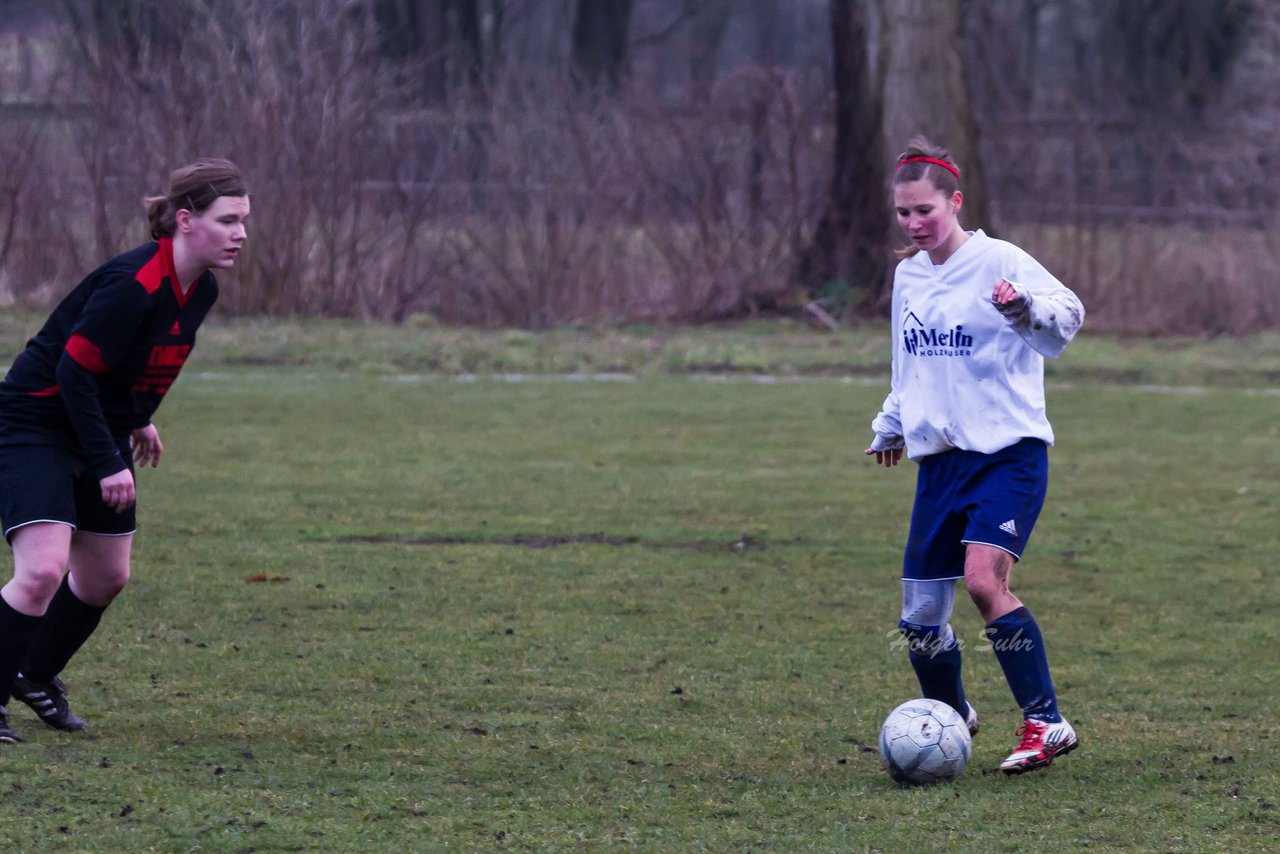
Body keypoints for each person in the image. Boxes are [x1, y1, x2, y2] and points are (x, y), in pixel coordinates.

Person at [0, 158, 249, 744]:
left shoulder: (200, 288)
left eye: (244, 221)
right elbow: (73, 371)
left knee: (106, 576)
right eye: (229, 220)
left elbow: (138, 362)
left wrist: (138, 418)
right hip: (36, 420)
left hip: (94, 422)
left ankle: (33, 675)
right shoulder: (132, 284)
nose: (241, 233)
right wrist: (110, 457)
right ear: (185, 221)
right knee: (40, 570)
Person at [865, 137, 1084, 774]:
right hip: (940, 465)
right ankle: (951, 716)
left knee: (985, 582)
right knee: (920, 619)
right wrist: (893, 423)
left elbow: (1068, 316)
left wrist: (1024, 309)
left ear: (955, 202)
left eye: (924, 211)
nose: (913, 224)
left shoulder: (1000, 259)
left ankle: (1046, 722)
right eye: (903, 213)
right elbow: (910, 362)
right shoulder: (909, 275)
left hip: (1007, 456)